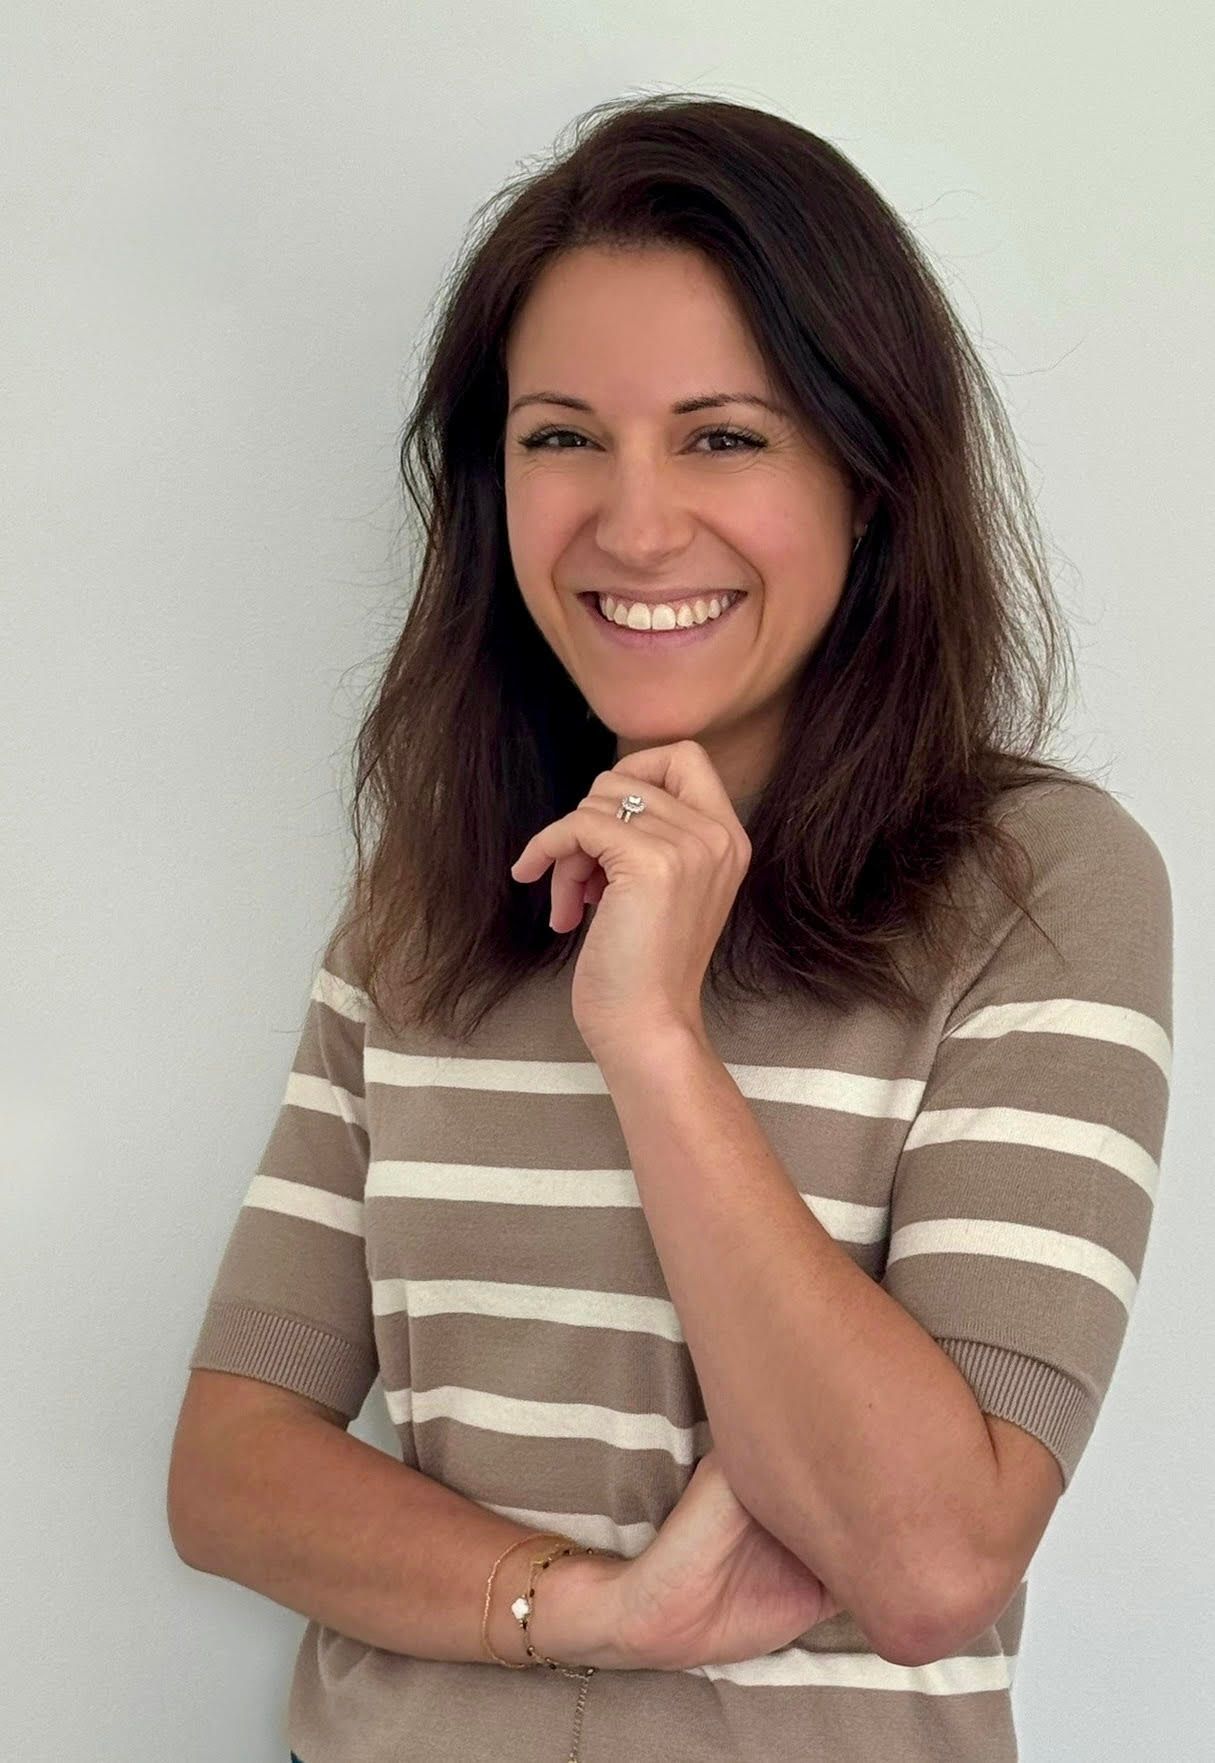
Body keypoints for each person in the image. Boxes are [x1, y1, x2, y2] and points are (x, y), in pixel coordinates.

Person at [166, 92, 1173, 1763]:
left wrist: (651, 1036)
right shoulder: (427, 892)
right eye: (562, 436)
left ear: (869, 474)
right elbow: (231, 1466)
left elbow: (930, 1562)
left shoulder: (1040, 887)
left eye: (723, 435)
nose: (634, 527)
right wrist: (587, 1610)